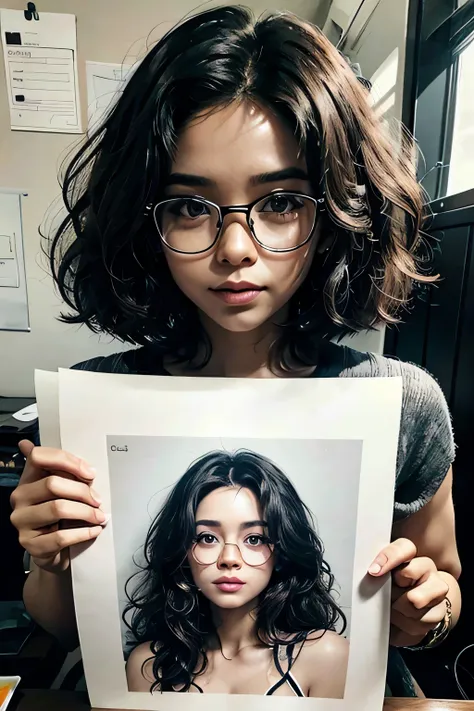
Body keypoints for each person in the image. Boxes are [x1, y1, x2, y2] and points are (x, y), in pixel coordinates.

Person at [9, 5, 461, 698]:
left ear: (336, 208)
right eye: (190, 207)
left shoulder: (405, 406)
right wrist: (46, 560)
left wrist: (425, 609)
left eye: (280, 202)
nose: (236, 250)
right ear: (144, 221)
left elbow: (444, 583)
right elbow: (66, 625)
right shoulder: (88, 406)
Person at [124, 449, 348, 697]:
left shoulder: (325, 656)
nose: (229, 559)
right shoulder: (148, 666)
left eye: (254, 539)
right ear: (182, 551)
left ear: (282, 552)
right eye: (207, 538)